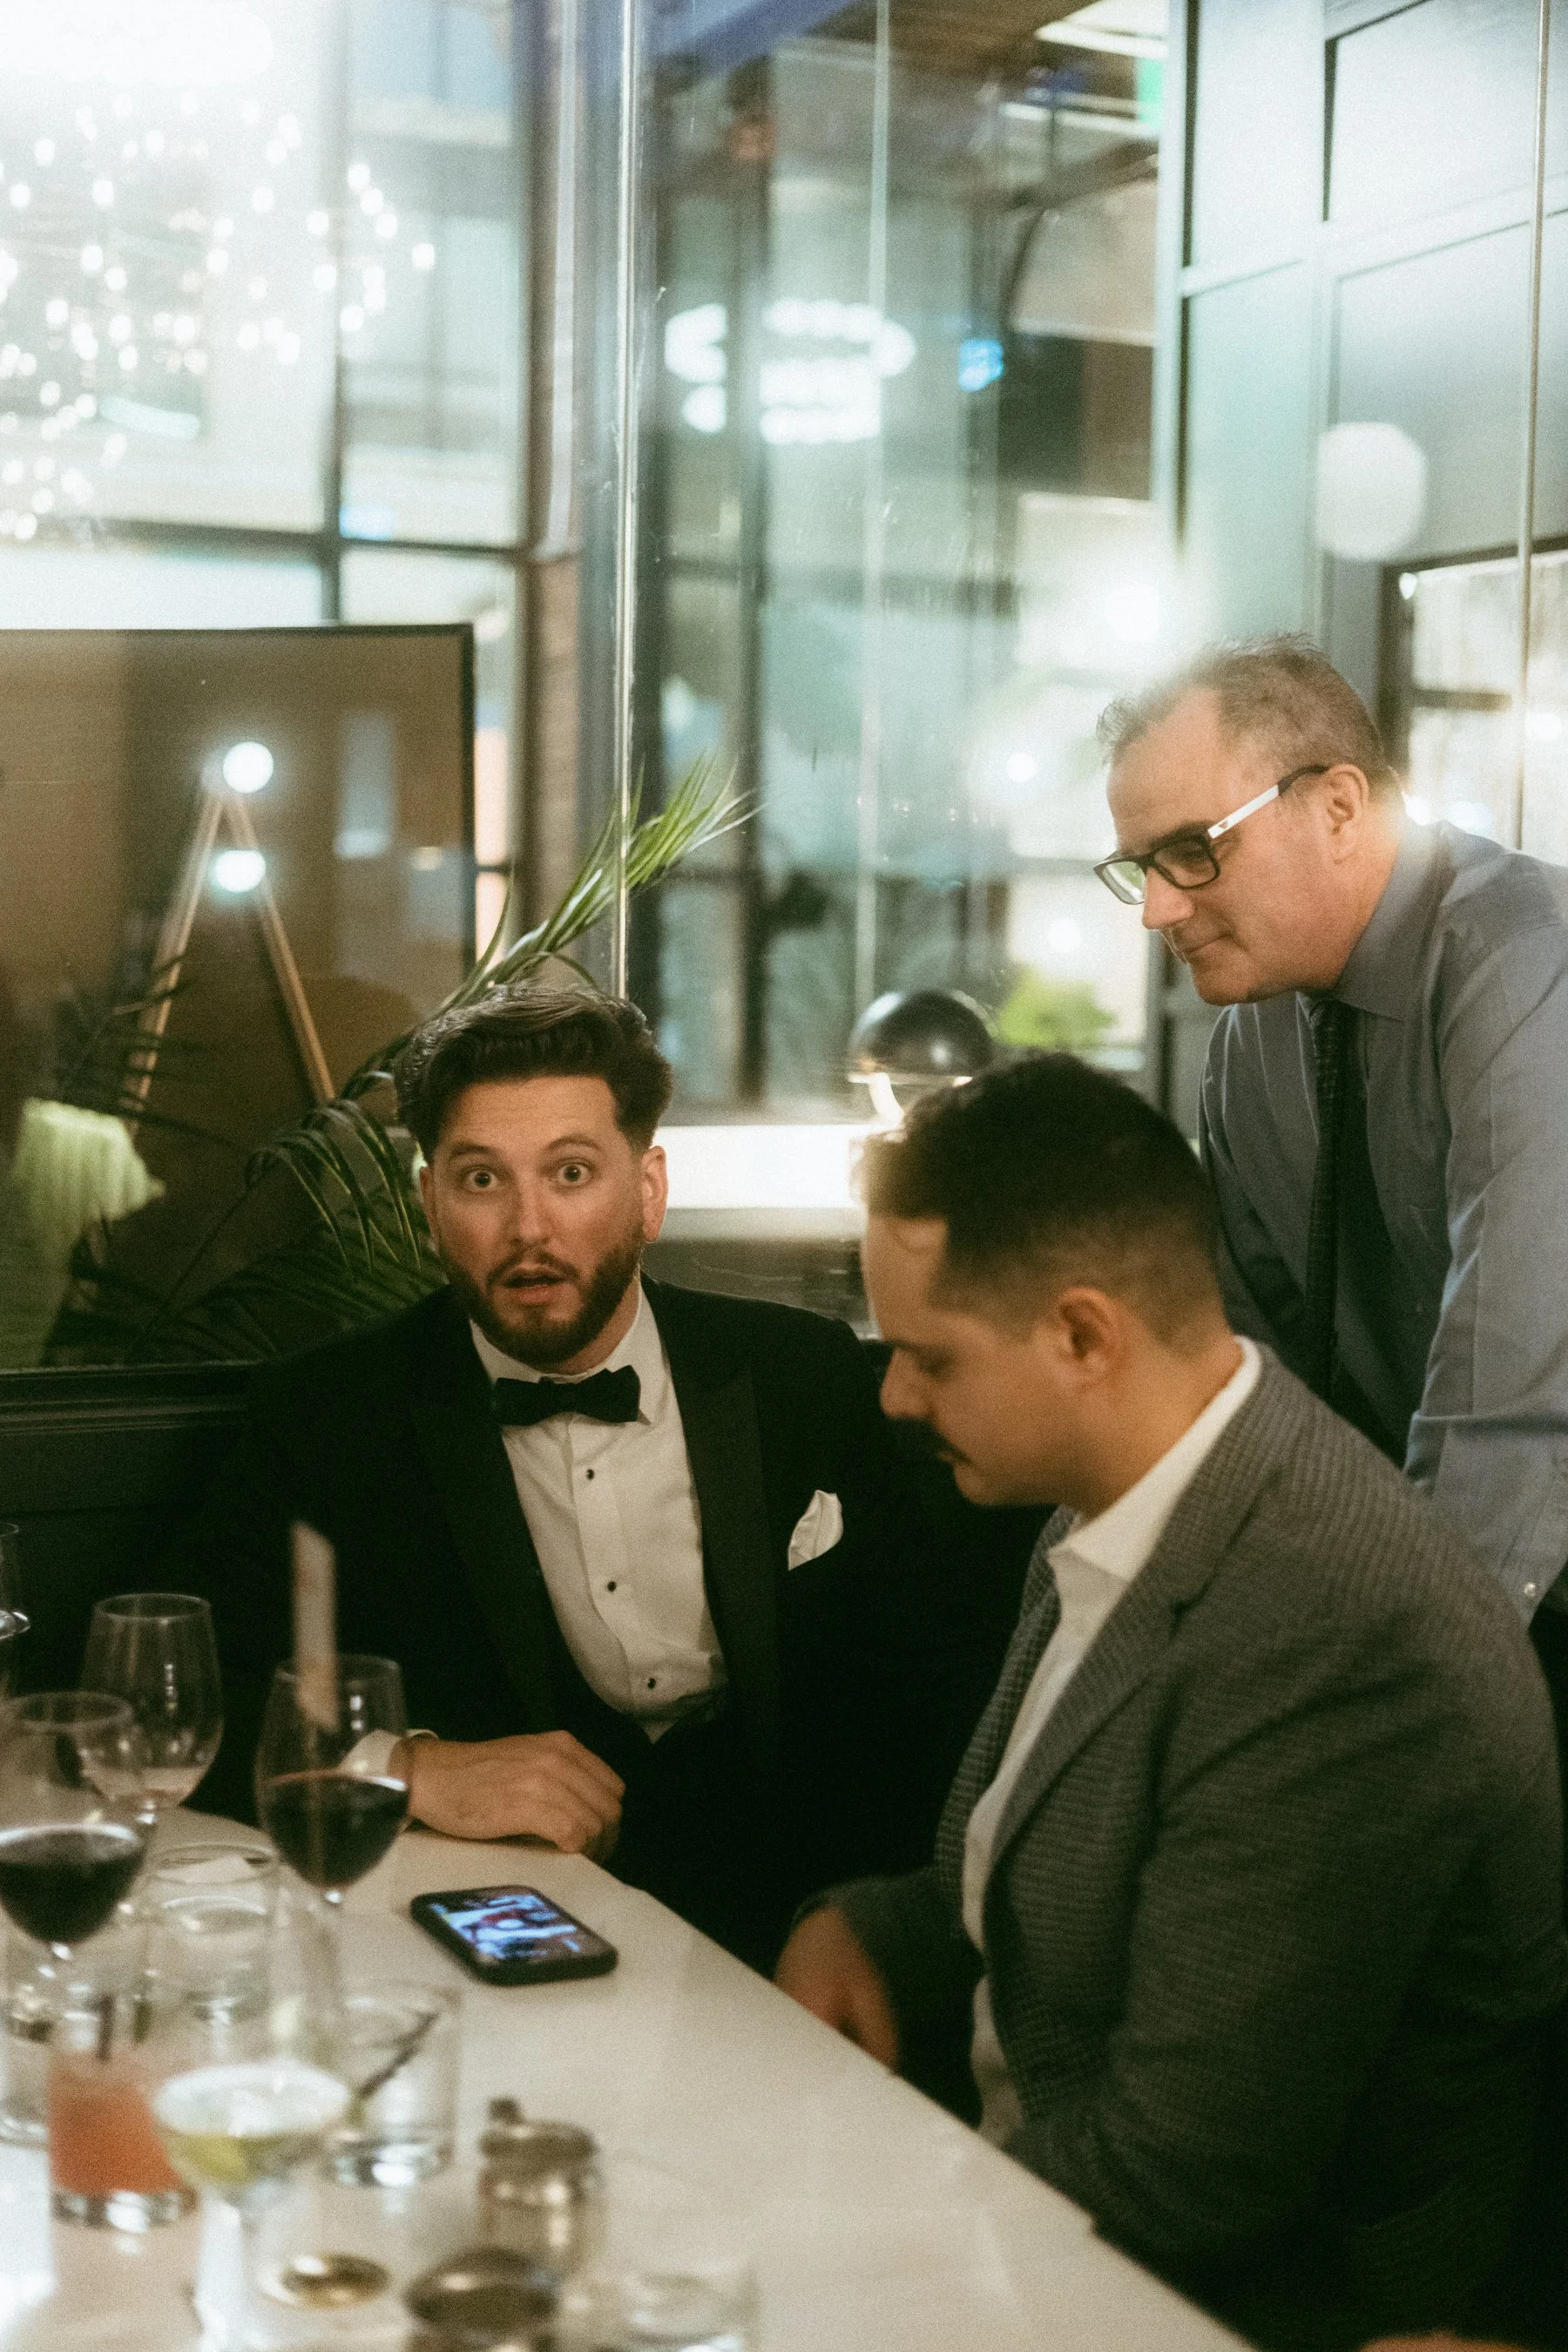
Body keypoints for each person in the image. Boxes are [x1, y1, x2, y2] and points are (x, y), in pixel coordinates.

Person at [774, 1055, 1568, 2352]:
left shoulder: (1338, 1634)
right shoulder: (1119, 1486)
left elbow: (1187, 2180)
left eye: (929, 1357)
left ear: (1084, 1337)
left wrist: (820, 2232)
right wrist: (872, 1932)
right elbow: (1053, 1875)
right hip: (1042, 2218)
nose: (895, 1396)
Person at [172, 983, 1031, 1969]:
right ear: (429, 1204)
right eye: (481, 1181)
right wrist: (406, 1769)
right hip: (501, 1938)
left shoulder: (804, 1373)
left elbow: (935, 1682)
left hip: (800, 1933)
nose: (529, 1228)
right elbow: (185, 1702)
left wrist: (879, 1925)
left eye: (571, 1173)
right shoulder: (328, 1413)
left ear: (649, 1191)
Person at [1093, 635, 1568, 1761]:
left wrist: (1390, 1706)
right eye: (1138, 867)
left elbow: (1508, 1397)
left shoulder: (1526, 961)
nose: (1157, 911)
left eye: (1191, 852)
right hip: (1433, 1573)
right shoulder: (1248, 1041)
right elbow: (1264, 1377)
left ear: (1340, 807)